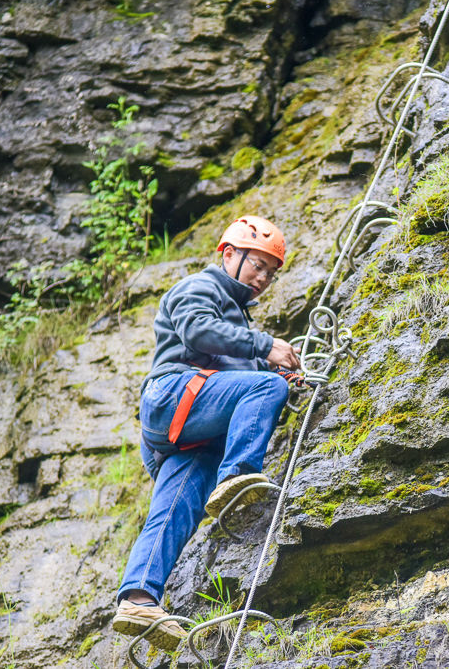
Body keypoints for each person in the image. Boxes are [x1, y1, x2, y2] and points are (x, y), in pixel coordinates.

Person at [112, 215, 305, 650]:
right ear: (229, 254)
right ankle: (236, 474)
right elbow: (198, 329)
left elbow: (242, 376)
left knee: (172, 512)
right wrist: (264, 350)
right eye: (258, 265)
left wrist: (272, 371)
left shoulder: (236, 322)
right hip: (174, 395)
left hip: (189, 434)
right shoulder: (202, 287)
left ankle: (139, 599)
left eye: (271, 273)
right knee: (265, 385)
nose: (263, 278)